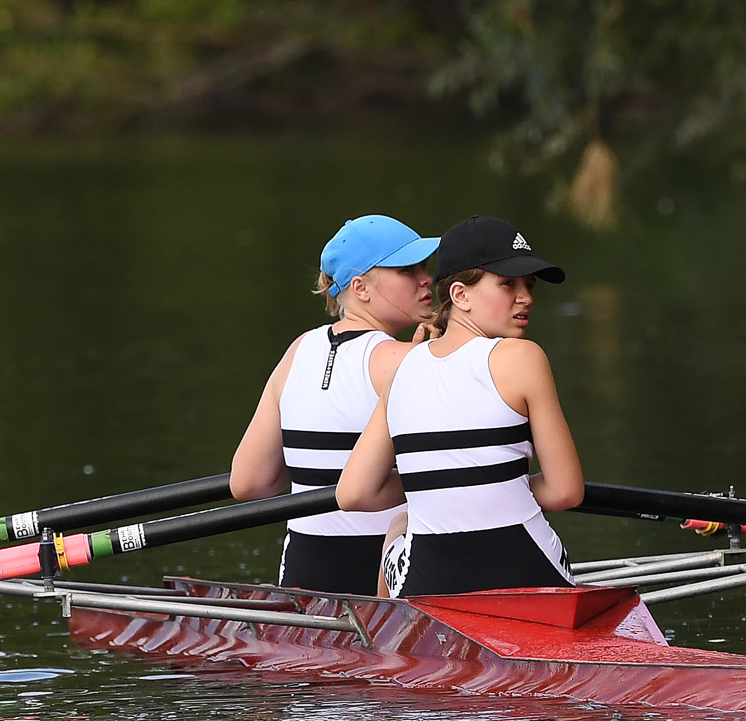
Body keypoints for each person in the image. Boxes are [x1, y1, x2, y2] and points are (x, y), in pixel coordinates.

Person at [337, 216, 583, 597]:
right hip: (529, 570)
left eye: (528, 285)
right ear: (460, 295)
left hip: (429, 583)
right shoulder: (524, 357)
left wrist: (439, 489)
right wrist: (494, 488)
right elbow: (567, 492)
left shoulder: (403, 367)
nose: (526, 297)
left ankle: (387, 639)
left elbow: (353, 493)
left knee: (399, 525)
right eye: (507, 284)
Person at [230, 215, 439, 595]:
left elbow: (249, 482)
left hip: (304, 575)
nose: (426, 279)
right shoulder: (407, 359)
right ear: (360, 287)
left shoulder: (297, 351)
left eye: (424, 267)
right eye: (407, 269)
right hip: (387, 577)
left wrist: (313, 470)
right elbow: (456, 475)